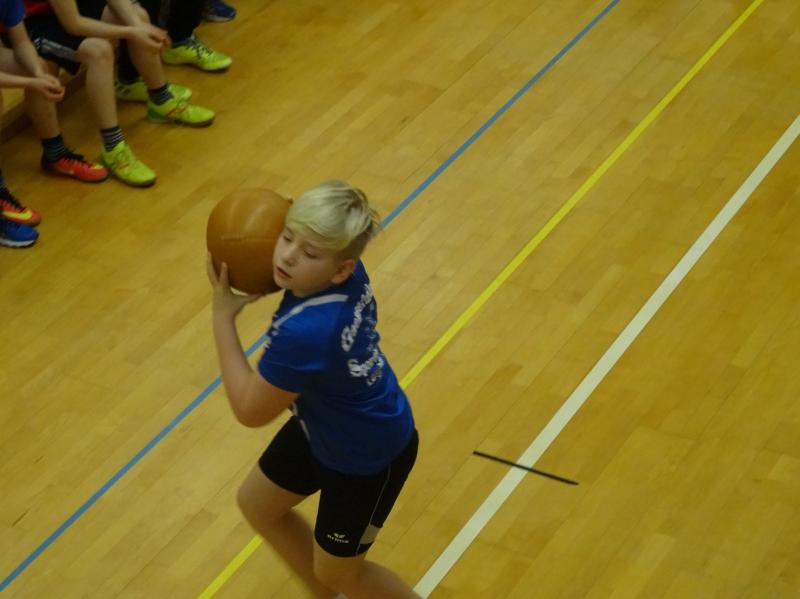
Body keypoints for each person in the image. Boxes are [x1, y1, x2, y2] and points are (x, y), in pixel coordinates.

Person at [207, 181, 420, 599]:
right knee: (258, 504)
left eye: (309, 253)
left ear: (340, 269)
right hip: (326, 423)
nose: (288, 255)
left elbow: (249, 411)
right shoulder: (347, 269)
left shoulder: (307, 332)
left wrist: (222, 318)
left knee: (341, 574)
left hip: (366, 455)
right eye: (287, 236)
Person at [23, 0, 216, 186]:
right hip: (33, 24)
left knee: (138, 16)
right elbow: (73, 24)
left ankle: (161, 99)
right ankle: (113, 147)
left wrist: (136, 24)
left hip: (67, 8)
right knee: (100, 52)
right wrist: (132, 32)